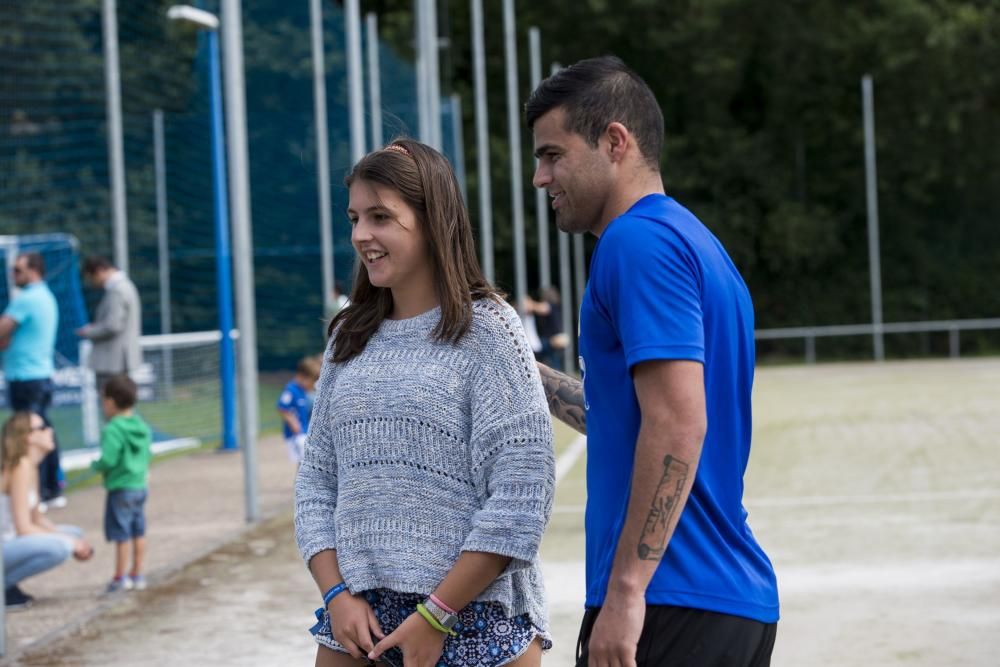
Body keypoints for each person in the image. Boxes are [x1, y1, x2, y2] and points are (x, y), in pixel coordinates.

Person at [526, 56, 779, 666]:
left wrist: (626, 591)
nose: (540, 177)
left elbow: (678, 424)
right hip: (717, 604)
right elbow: (632, 415)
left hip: (668, 602)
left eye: (552, 154)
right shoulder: (698, 245)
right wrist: (517, 366)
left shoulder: (634, 243)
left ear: (615, 142)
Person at [294, 139, 555, 667]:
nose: (361, 234)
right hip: (357, 623)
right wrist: (335, 596)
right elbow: (316, 481)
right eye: (355, 217)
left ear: (434, 221)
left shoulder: (489, 331)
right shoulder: (348, 336)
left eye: (381, 216)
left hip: (473, 621)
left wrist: (436, 613)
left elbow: (523, 493)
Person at [1, 412, 93, 609]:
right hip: (6, 543)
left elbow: (37, 519)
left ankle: (7, 585)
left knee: (74, 533)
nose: (50, 430)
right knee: (60, 547)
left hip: (11, 541)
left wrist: (74, 540)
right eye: (42, 427)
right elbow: (24, 528)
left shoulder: (31, 466)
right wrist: (69, 543)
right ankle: (4, 588)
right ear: (28, 436)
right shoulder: (20, 466)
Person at [0, 251, 66, 506]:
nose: (13, 274)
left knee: (28, 437)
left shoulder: (26, 299)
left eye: (18, 270)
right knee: (43, 432)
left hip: (26, 378)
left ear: (33, 270)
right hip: (39, 375)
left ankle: (37, 493)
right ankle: (52, 488)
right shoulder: (46, 296)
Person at [91, 374, 152, 593]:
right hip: (140, 486)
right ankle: (137, 573)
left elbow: (109, 459)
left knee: (121, 534)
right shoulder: (141, 426)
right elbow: (146, 454)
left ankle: (120, 577)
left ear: (109, 402)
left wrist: (96, 466)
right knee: (138, 531)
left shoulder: (113, 429)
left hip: (120, 489)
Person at [76, 256, 142, 390]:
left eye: (91, 278)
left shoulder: (117, 290)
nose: (92, 283)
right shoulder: (125, 286)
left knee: (113, 404)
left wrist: (88, 332)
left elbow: (112, 326)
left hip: (112, 362)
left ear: (99, 271)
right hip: (118, 360)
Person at [276, 355, 321, 466]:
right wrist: (294, 425)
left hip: (304, 431)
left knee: (305, 462)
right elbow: (283, 408)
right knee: (304, 462)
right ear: (302, 377)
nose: (312, 385)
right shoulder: (291, 390)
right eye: (311, 381)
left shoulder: (302, 390)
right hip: (297, 434)